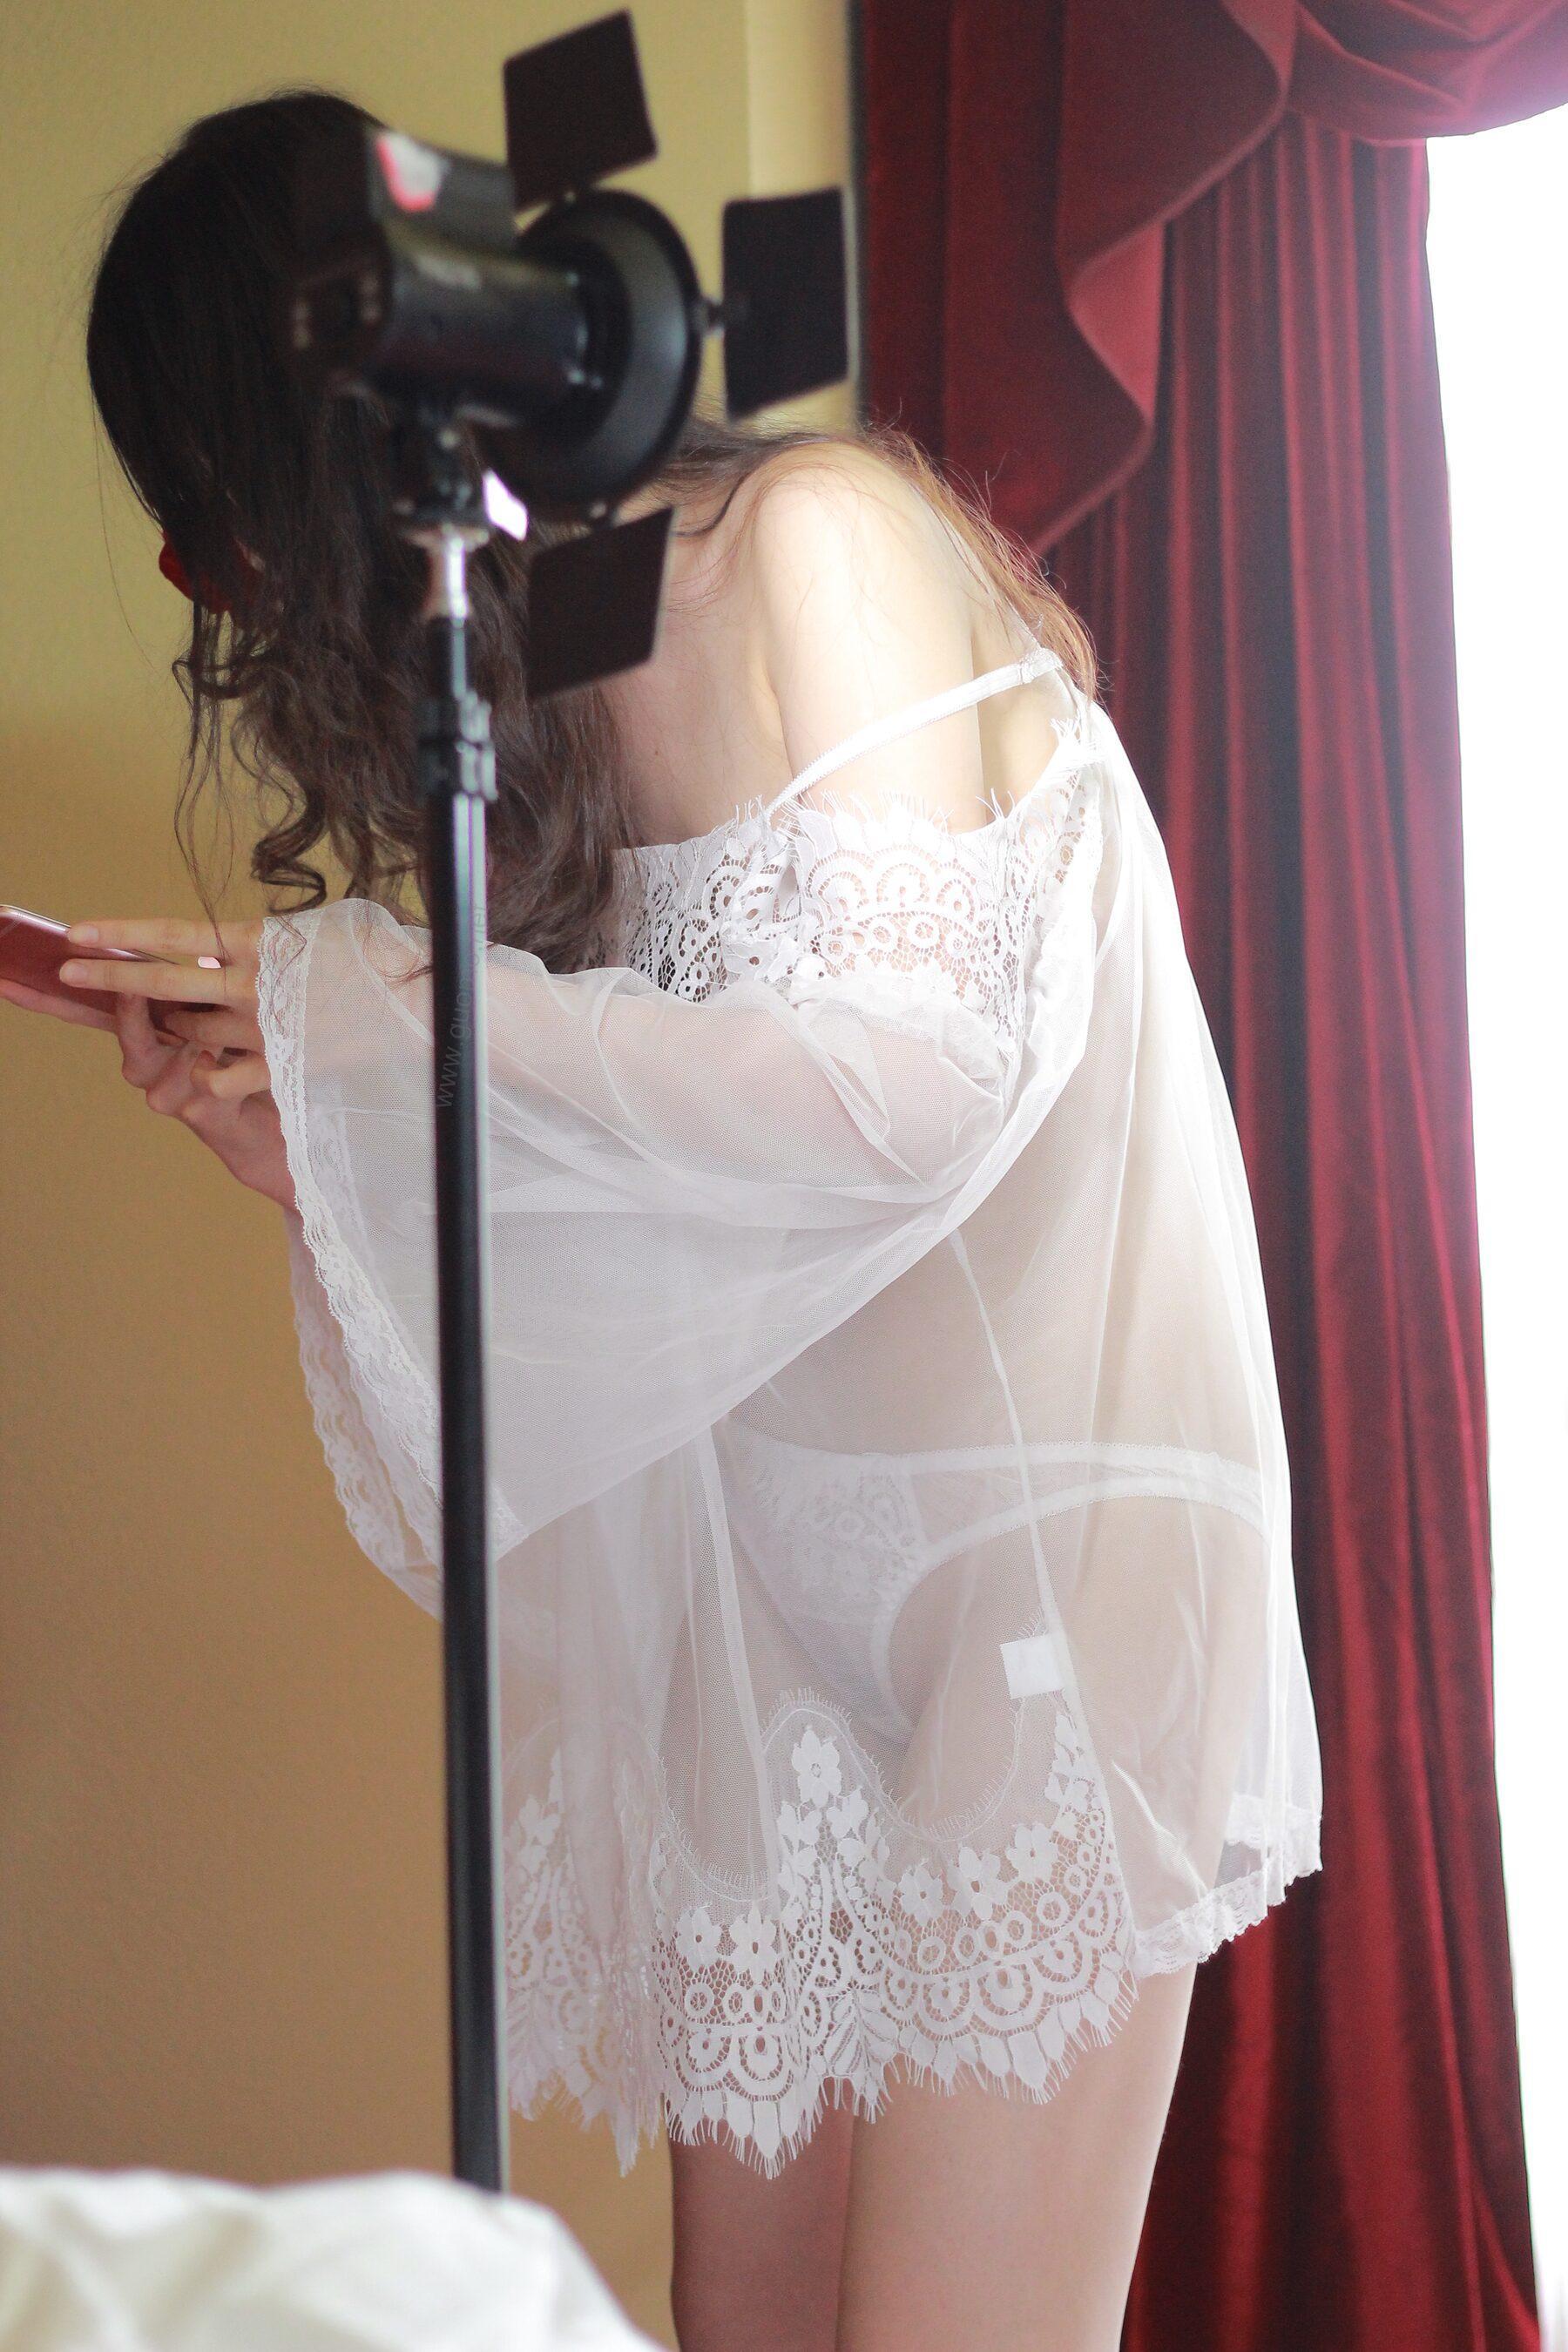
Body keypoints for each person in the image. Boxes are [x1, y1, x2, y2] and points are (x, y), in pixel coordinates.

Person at [3, 92, 1323, 2352]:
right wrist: (311, 1133)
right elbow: (649, 1219)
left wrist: (390, 1006)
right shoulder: (544, 714)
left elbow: (899, 1084)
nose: (245, 607)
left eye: (223, 540)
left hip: (1042, 1563)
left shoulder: (814, 538)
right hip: (776, 1608)